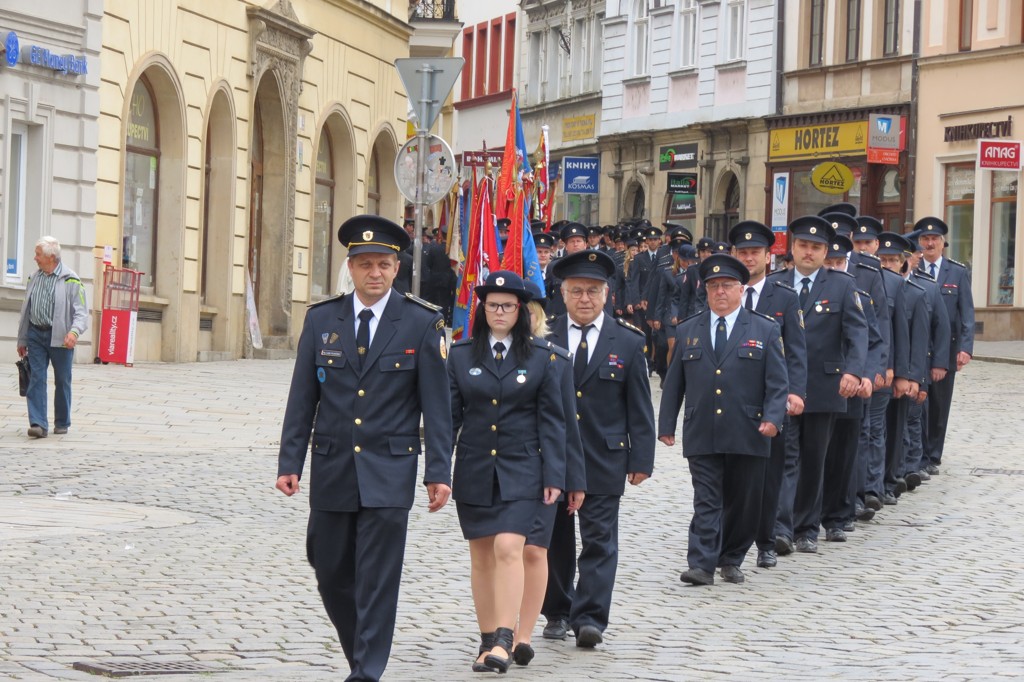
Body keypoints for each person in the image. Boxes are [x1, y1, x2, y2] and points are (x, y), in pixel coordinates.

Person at [276, 215, 452, 682]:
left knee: (377, 575)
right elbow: (301, 400)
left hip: (389, 470)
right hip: (333, 465)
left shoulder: (420, 322)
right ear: (350, 268)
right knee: (329, 567)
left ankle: (367, 670)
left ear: (397, 269)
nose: (375, 273)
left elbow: (437, 408)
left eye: (384, 265)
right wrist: (289, 462)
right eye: (365, 264)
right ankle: (361, 649)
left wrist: (440, 471)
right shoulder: (321, 320)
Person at [447, 271, 567, 673]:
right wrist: (436, 473)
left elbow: (553, 421)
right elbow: (449, 419)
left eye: (508, 306)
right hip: (476, 467)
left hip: (524, 468)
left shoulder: (542, 357)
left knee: (509, 548)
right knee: (481, 556)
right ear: (482, 309)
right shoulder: (462, 355)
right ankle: (486, 641)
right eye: (493, 305)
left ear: (522, 311)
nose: (500, 312)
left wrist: (555, 475)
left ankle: (505, 638)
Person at [542, 249, 656, 648]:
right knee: (554, 539)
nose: (585, 298)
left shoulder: (626, 341)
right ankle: (556, 610)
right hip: (551, 457)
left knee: (600, 540)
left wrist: (642, 458)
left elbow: (639, 405)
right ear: (563, 293)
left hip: (605, 456)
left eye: (593, 290)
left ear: (606, 294)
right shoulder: (544, 337)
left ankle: (590, 617)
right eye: (577, 291)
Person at [659, 253, 788, 585]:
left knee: (744, 500)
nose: (720, 292)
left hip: (749, 429)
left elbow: (777, 382)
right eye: (714, 286)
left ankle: (731, 556)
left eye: (727, 286)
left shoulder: (765, 329)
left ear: (741, 290)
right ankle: (701, 563)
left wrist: (774, 418)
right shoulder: (689, 329)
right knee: (707, 498)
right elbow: (674, 383)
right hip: (703, 428)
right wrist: (666, 425)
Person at [768, 215, 867, 555]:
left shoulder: (842, 285)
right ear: (792, 248)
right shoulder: (775, 283)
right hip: (782, 387)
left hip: (825, 386)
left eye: (816, 247)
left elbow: (857, 332)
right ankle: (781, 526)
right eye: (803, 246)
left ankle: (807, 527)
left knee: (814, 459)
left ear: (826, 252)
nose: (808, 253)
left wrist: (854, 371)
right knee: (784, 457)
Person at [511, 282, 586, 667]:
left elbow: (565, 426)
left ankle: (530, 627)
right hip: (504, 472)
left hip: (547, 469)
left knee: (538, 549)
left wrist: (574, 478)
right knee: (505, 550)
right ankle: (502, 626)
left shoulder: (555, 358)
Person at [726, 222, 807, 569]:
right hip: (731, 398)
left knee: (771, 474)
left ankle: (767, 539)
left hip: (771, 398)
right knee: (731, 472)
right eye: (742, 252)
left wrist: (795, 393)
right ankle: (726, 538)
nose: (748, 258)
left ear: (767, 256)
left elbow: (798, 353)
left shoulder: (785, 297)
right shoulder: (722, 292)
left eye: (754, 253)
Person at [915, 216, 975, 475]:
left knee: (939, 404)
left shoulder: (957, 272)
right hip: (917, 346)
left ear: (943, 243)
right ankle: (918, 454)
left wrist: (965, 348)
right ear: (919, 242)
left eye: (934, 239)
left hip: (946, 349)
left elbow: (967, 313)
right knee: (918, 403)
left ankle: (933, 454)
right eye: (925, 239)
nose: (930, 243)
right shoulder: (912, 270)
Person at [17, 236, 89, 439]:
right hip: (35, 335)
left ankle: (62, 421)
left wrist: (74, 332)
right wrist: (22, 339)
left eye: (38, 255)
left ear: (51, 257)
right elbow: (26, 311)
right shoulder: (34, 277)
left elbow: (82, 312)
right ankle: (38, 423)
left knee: (62, 380)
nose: (35, 258)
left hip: (61, 337)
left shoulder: (71, 279)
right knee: (36, 378)